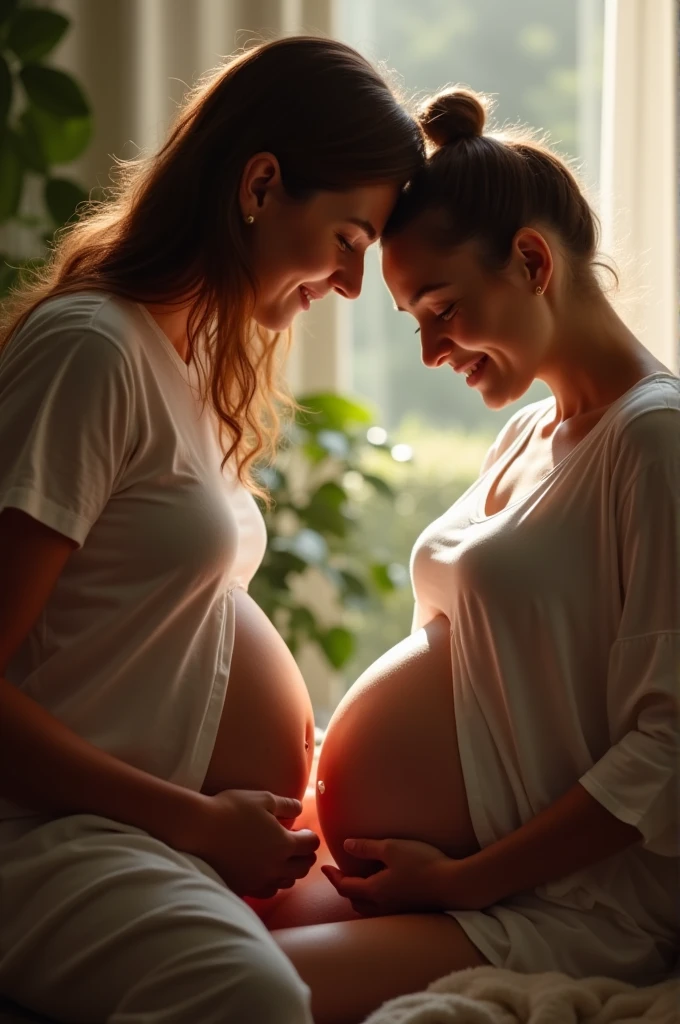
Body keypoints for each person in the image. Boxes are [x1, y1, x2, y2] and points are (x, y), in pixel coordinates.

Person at [0, 36, 425, 1024]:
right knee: (251, 998)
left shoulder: (180, 362)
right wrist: (194, 817)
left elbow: (148, 636)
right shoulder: (92, 351)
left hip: (136, 824)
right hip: (43, 830)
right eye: (350, 239)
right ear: (261, 184)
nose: (353, 286)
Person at [255, 89, 680, 1024]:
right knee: (195, 944)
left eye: (441, 308)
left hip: (559, 902)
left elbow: (667, 747)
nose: (432, 349)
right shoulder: (531, 435)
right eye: (416, 319)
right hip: (448, 873)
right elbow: (479, 678)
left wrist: (468, 879)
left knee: (229, 992)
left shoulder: (655, 443)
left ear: (532, 261)